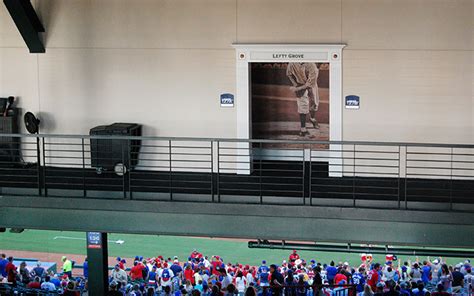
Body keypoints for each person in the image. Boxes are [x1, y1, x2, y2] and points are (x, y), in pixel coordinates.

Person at [286, 62, 320, 136]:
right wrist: (295, 84)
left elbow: (309, 84)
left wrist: (297, 89)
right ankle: (303, 129)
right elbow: (289, 74)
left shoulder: (312, 65)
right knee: (302, 105)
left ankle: (312, 118)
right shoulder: (292, 63)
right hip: (299, 84)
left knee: (315, 104)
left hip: (312, 85)